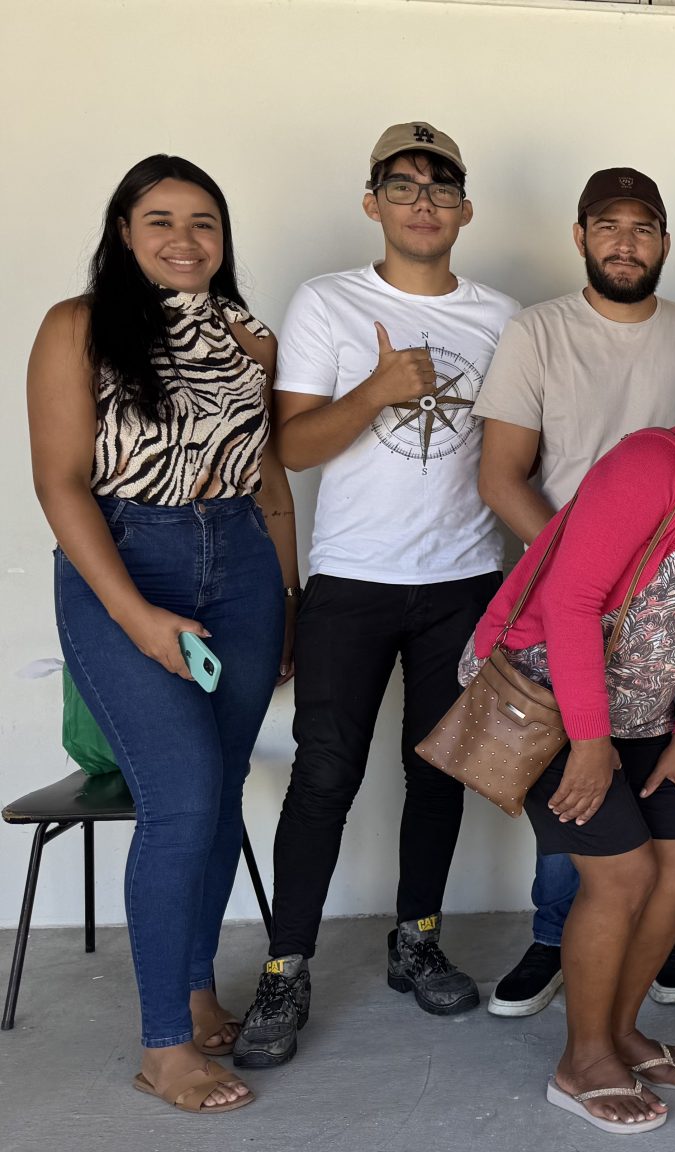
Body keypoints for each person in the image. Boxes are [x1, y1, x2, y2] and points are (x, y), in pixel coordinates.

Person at [229, 122, 518, 1067]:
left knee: (438, 772)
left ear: (466, 210)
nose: (422, 203)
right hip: (352, 581)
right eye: (402, 185)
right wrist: (378, 390)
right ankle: (286, 966)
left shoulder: (504, 316)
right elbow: (290, 445)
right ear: (372, 203)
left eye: (441, 188)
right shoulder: (328, 301)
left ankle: (416, 939)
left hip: (464, 582)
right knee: (325, 775)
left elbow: (522, 450)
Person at [460, 330, 675, 1131]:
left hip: (645, 712)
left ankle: (618, 1031)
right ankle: (581, 1063)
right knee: (621, 874)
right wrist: (587, 741)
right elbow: (571, 602)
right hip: (546, 696)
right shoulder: (652, 464)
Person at [27, 156, 298, 1113]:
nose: (185, 240)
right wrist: (136, 615)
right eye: (160, 221)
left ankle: (193, 986)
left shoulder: (249, 336)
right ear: (124, 232)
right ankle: (163, 1046)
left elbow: (267, 476)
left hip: (243, 567)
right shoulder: (76, 326)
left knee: (218, 795)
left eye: (203, 223)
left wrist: (288, 597)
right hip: (126, 560)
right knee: (180, 798)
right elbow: (60, 481)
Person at [473, 167, 675, 1016]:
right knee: (572, 765)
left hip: (663, 616)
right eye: (608, 225)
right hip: (564, 601)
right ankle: (556, 936)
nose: (625, 242)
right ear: (580, 237)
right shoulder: (537, 332)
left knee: (645, 771)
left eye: (643, 227)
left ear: (664, 242)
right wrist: (582, 569)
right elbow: (502, 475)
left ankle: (650, 928)